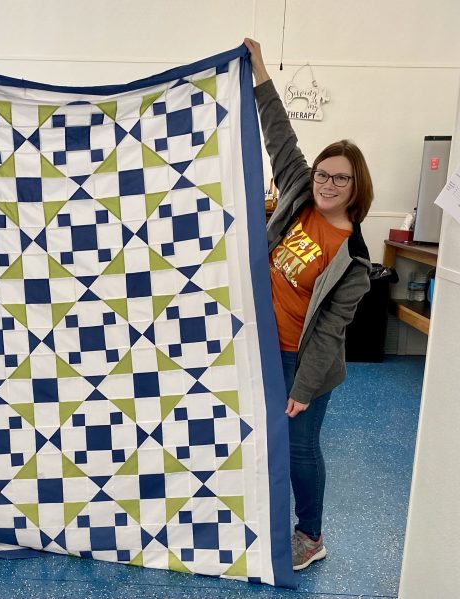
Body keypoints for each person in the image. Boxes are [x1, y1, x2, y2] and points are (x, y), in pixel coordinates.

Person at [244, 38, 374, 571]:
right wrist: (258, 69)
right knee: (260, 436)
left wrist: (303, 388)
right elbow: (279, 132)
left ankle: (311, 534)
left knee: (300, 448)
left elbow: (328, 332)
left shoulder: (353, 258)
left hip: (302, 361)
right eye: (324, 173)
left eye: (340, 177)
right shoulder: (299, 192)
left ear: (356, 186)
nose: (328, 183)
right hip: (261, 344)